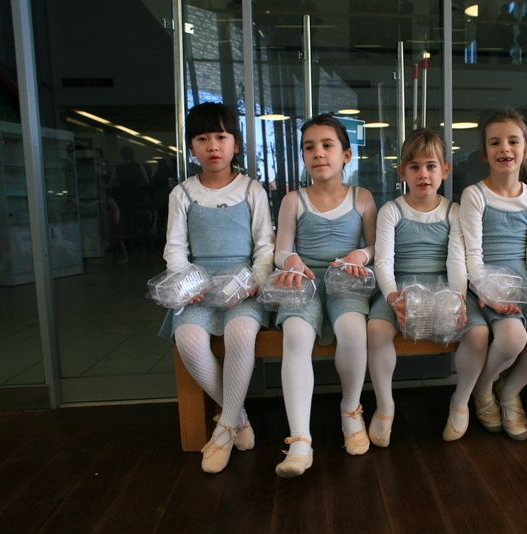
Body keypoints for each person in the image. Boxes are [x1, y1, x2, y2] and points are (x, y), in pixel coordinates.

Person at [158, 102, 275, 474]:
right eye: (202, 138)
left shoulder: (252, 189)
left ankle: (223, 431)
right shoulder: (182, 193)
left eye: (221, 137)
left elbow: (265, 245)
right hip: (199, 285)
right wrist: (185, 283)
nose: (213, 146)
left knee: (241, 333)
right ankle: (236, 417)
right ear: (192, 147)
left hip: (244, 286)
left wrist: (256, 280)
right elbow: (175, 249)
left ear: (235, 144)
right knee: (188, 340)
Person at [367, 129, 489, 446]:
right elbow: (383, 261)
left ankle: (460, 401)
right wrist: (392, 296)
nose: (424, 174)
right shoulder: (391, 210)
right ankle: (385, 405)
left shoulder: (454, 211)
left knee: (478, 334)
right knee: (376, 330)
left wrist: (458, 299)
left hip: (446, 286)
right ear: (402, 172)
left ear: (444, 170)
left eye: (431, 166)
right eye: (415, 167)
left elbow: (456, 261)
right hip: (399, 287)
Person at [272, 114, 377, 477]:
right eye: (309, 147)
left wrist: (360, 255)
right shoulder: (293, 200)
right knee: (296, 335)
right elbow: (280, 250)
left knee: (353, 331)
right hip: (304, 281)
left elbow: (375, 246)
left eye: (327, 145)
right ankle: (300, 439)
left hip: (346, 281)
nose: (318, 153)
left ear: (346, 155)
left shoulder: (362, 198)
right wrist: (292, 260)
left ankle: (351, 410)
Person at [460, 108, 527, 441]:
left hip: (526, 276)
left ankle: (509, 390)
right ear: (485, 153)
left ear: (526, 149)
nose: (504, 148)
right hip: (488, 279)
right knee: (512, 338)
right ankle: (482, 389)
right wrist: (489, 291)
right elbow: (473, 258)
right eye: (495, 142)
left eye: (512, 141)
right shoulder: (474, 194)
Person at [109, 145, 150, 261]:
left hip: (123, 199)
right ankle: (142, 244)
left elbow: (112, 183)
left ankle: (127, 246)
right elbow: (146, 181)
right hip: (136, 197)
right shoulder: (138, 166)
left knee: (125, 223)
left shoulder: (117, 168)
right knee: (138, 221)